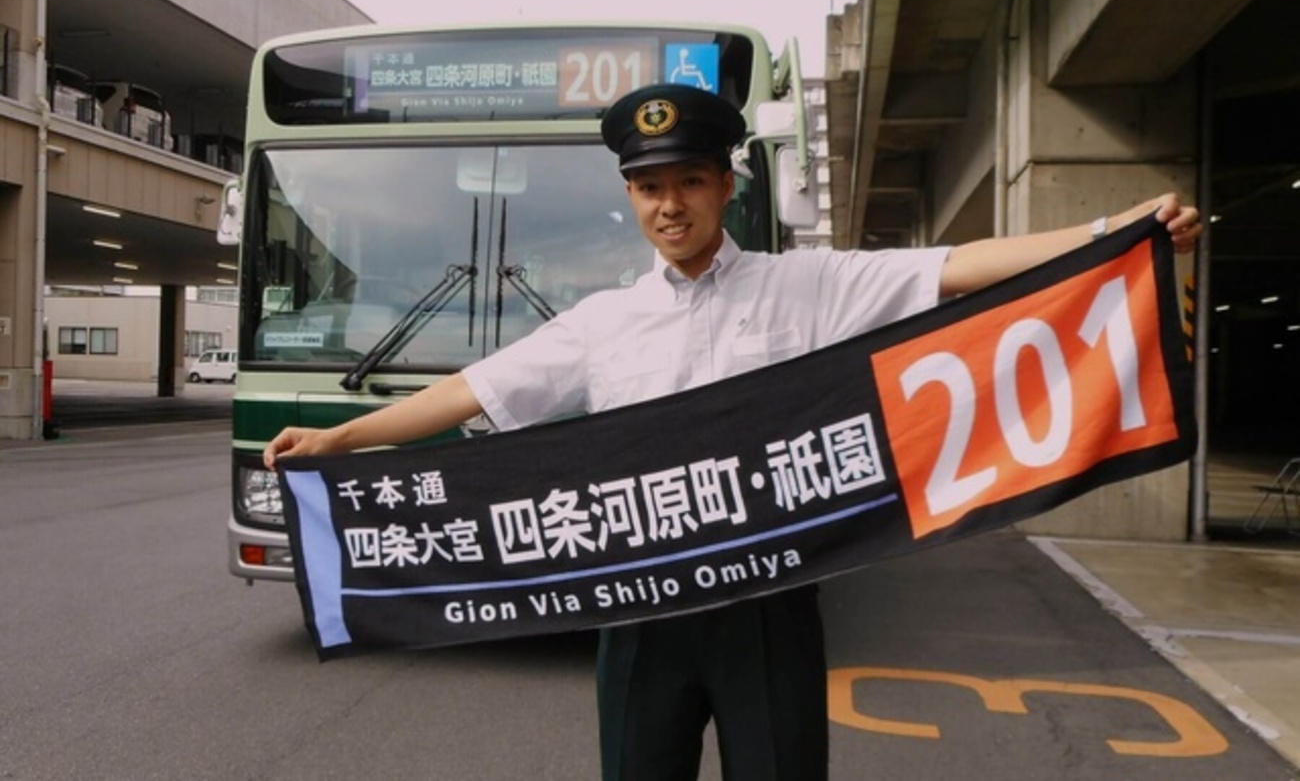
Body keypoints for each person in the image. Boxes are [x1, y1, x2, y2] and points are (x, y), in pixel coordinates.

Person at [264, 83, 1203, 780]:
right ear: (630, 197)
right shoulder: (604, 322)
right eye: (648, 188)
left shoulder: (809, 287)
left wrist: (1112, 231)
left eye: (688, 182)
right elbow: (476, 389)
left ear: (724, 185)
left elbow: (954, 266)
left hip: (770, 600)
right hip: (639, 607)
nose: (669, 206)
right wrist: (343, 441)